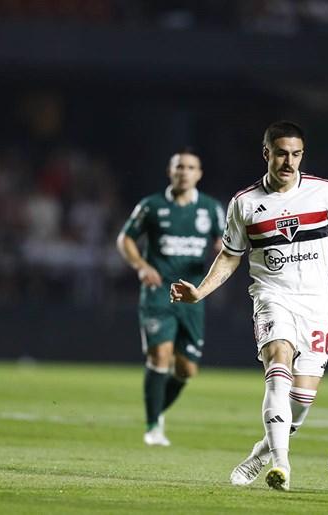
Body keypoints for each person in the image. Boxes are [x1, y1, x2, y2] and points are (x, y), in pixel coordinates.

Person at [170, 121, 328, 491]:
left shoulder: (325, 193)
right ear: (267, 154)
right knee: (279, 359)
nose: (288, 162)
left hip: (318, 306)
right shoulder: (244, 204)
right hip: (272, 298)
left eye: (295, 155)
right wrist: (199, 291)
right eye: (281, 154)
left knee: (302, 401)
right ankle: (282, 465)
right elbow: (230, 257)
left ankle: (259, 455)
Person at [117, 149, 224, 446]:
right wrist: (141, 266)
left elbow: (226, 242)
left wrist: (222, 248)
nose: (184, 172)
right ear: (170, 172)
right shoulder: (151, 206)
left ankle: (156, 408)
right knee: (160, 355)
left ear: (199, 173)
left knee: (187, 369)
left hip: (192, 296)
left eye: (190, 167)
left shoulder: (211, 209)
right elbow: (125, 238)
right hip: (159, 292)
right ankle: (153, 427)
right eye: (179, 167)